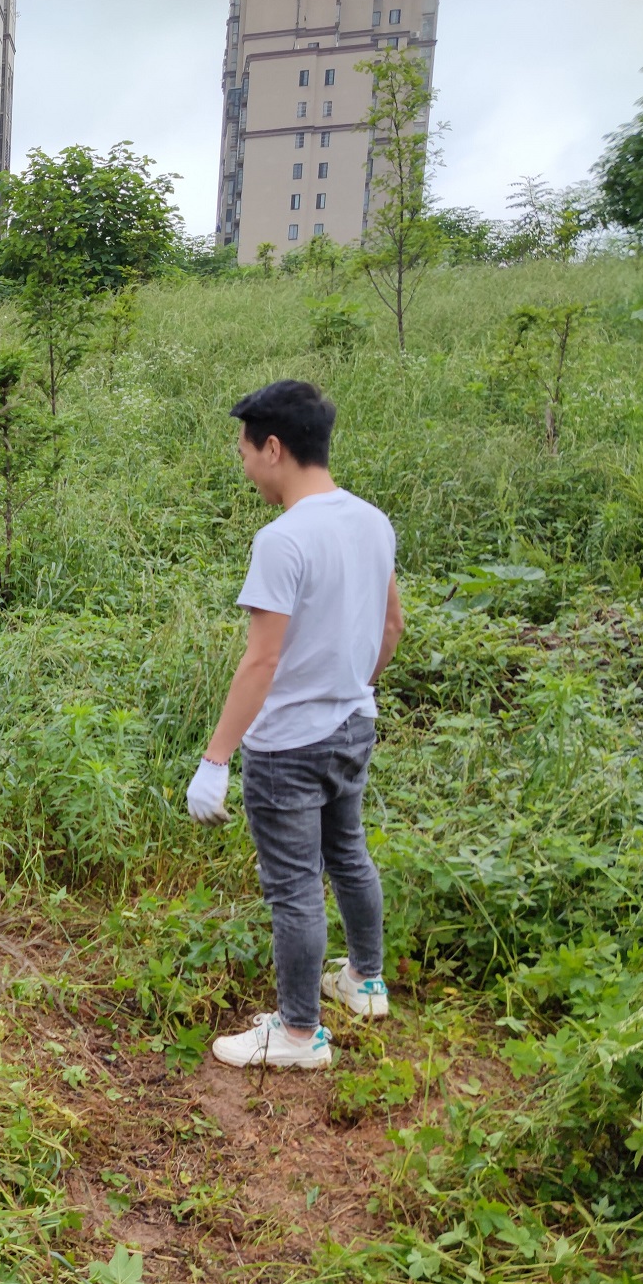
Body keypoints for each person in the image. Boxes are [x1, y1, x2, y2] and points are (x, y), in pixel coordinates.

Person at [188, 380, 404, 1071]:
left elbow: (262, 660)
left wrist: (216, 760)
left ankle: (299, 1032)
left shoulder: (282, 540)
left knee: (293, 888)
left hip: (288, 746)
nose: (243, 461)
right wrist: (356, 688)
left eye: (245, 449)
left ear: (273, 447)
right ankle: (366, 982)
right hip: (354, 725)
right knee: (349, 854)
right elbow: (392, 624)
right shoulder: (372, 520)